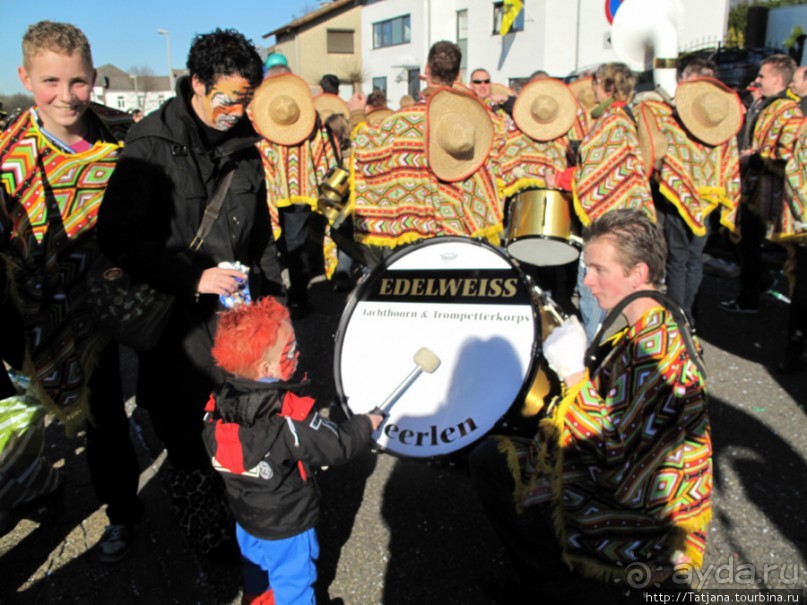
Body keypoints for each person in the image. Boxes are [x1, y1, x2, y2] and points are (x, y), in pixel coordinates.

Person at [98, 28, 285, 561]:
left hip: (240, 321)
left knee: (244, 425)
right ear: (198, 84)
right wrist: (190, 278)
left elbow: (260, 238)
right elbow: (117, 237)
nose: (236, 109)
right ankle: (210, 547)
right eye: (228, 97)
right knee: (186, 439)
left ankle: (249, 526)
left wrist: (275, 307)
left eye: (246, 98)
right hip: (177, 327)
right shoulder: (150, 146)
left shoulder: (246, 145)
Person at [470, 209, 711, 604]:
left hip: (635, 511)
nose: (587, 281)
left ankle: (552, 587)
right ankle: (547, 580)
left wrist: (572, 375)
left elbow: (609, 454)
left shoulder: (657, 351)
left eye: (599, 269)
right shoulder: (655, 319)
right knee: (494, 457)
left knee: (491, 462)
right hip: (632, 484)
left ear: (638, 273)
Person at [0, 20, 140, 561]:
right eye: (51, 81)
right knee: (27, 418)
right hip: (26, 313)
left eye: (78, 81)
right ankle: (32, 488)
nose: (67, 95)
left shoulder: (119, 138)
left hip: (104, 310)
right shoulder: (9, 155)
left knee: (105, 417)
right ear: (25, 76)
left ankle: (124, 513)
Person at [202, 296, 383, 604]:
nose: (298, 353)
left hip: (246, 515)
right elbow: (338, 445)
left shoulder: (217, 402)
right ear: (266, 366)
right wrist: (365, 423)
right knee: (295, 584)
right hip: (287, 522)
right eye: (290, 350)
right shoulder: (288, 414)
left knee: (257, 572)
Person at [346, 41, 505, 265]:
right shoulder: (477, 121)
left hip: (412, 239)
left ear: (427, 70)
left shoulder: (401, 121)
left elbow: (367, 148)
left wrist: (356, 115)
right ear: (458, 74)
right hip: (463, 234)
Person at [546, 63, 655, 340]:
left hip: (610, 220)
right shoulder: (619, 117)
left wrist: (559, 179)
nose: (592, 87)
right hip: (619, 216)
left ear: (607, 86)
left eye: (596, 82)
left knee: (593, 283)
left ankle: (590, 351)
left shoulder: (613, 121)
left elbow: (594, 175)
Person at [636, 59, 742, 324]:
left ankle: (677, 316)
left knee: (678, 259)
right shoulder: (722, 125)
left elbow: (661, 158)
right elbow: (729, 166)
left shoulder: (675, 122)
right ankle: (690, 314)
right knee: (694, 259)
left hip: (678, 199)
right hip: (709, 200)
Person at [251, 68, 341, 317]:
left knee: (267, 244)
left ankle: (269, 299)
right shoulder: (313, 119)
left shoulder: (256, 118)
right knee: (297, 243)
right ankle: (298, 299)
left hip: (265, 189)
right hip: (303, 189)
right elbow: (326, 157)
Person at [719, 54, 803, 314]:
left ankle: (750, 298)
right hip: (752, 187)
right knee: (744, 241)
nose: (756, 80)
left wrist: (756, 157)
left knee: (750, 243)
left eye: (762, 76)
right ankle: (757, 285)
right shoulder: (768, 104)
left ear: (777, 79)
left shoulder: (788, 110)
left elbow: (789, 153)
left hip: (767, 191)